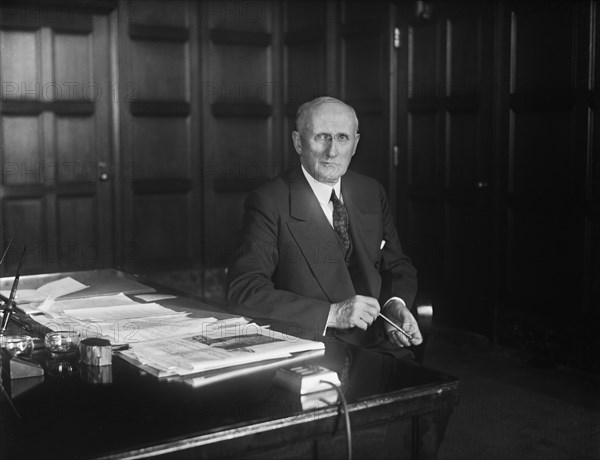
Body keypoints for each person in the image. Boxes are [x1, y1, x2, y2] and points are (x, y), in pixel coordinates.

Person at [226, 96, 422, 378]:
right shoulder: (270, 201)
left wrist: (395, 307)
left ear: (355, 144)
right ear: (298, 142)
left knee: (425, 397)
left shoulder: (370, 192)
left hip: (379, 342)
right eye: (321, 137)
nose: (332, 151)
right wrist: (332, 314)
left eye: (342, 138)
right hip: (315, 347)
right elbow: (244, 291)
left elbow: (397, 266)